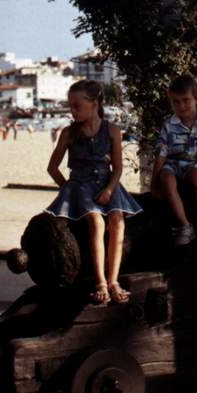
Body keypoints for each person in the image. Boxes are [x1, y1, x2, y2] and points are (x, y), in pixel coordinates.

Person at [45, 80, 142, 304]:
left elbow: (118, 167)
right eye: (70, 105)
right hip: (80, 185)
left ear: (94, 103)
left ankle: (114, 281)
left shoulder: (112, 130)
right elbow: (52, 168)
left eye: (77, 105)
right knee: (97, 222)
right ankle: (100, 282)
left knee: (117, 220)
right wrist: (68, 191)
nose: (72, 110)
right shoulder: (69, 133)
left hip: (107, 183)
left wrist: (109, 189)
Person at [151, 75, 197, 246]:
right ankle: (184, 225)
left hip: (192, 164)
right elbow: (161, 154)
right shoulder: (169, 124)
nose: (181, 106)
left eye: (186, 100)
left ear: (196, 99)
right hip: (171, 164)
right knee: (167, 180)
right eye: (176, 102)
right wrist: (154, 183)